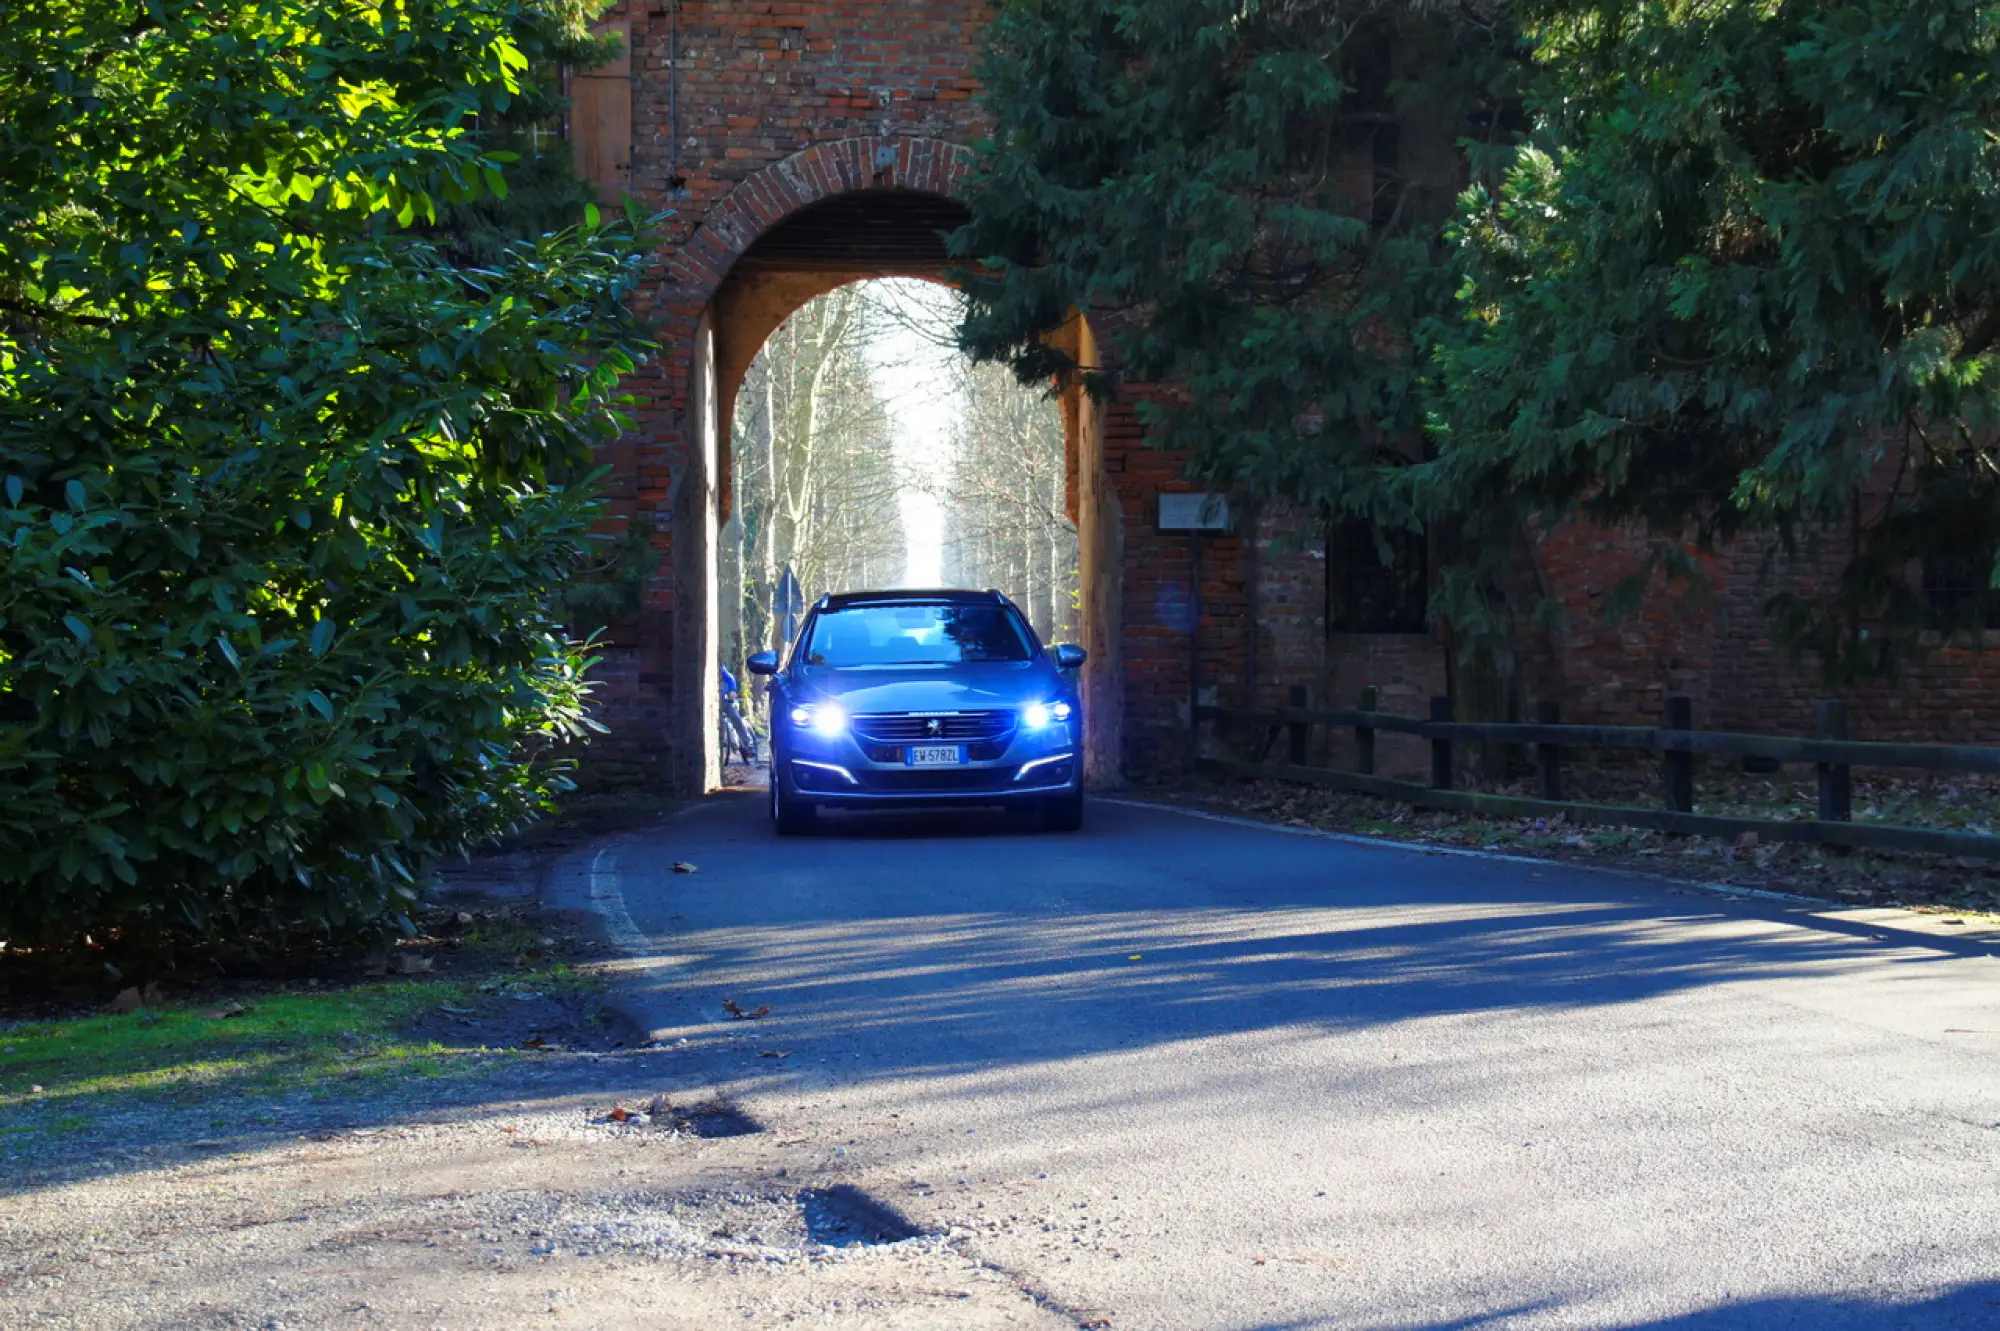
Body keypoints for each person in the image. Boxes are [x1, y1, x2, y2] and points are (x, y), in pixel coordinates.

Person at [720, 663, 757, 763]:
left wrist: (732, 690)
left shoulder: (717, 665)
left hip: (721, 700)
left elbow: (729, 678)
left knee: (736, 718)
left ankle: (748, 745)